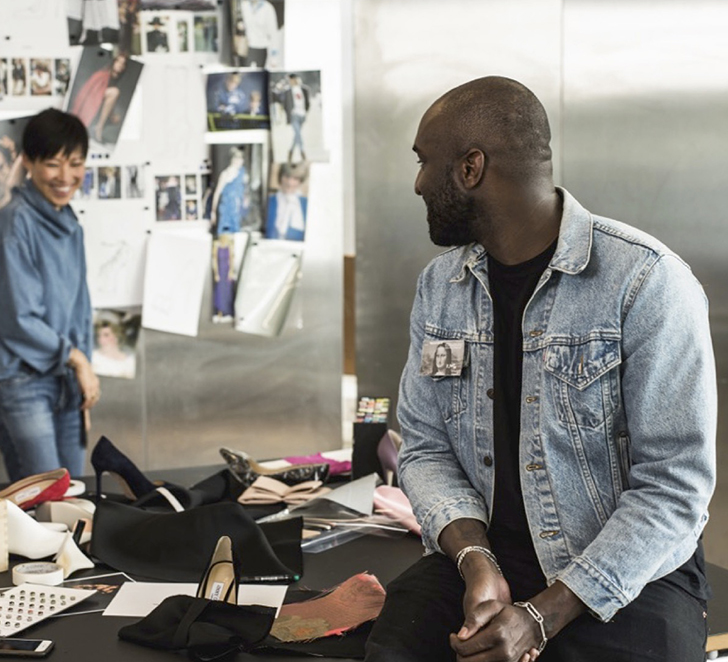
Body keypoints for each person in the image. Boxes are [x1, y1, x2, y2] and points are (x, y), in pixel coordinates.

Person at [365, 77, 715, 662]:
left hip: (624, 581)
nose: (418, 183)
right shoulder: (440, 287)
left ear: (472, 167)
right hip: (481, 566)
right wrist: (475, 560)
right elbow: (424, 449)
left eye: (426, 163)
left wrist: (540, 616)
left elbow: (674, 488)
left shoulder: (646, 282)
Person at [0, 109, 100, 481]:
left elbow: (79, 309)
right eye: (53, 164)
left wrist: (81, 370)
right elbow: (17, 318)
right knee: (44, 502)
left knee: (73, 499)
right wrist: (79, 361)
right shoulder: (14, 223)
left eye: (75, 164)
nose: (65, 177)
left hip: (64, 377)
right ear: (28, 162)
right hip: (18, 380)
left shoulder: (69, 222)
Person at [70, 52, 129, 144]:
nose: (120, 66)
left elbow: (107, 100)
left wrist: (112, 115)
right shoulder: (103, 74)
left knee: (117, 117)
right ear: (114, 62)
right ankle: (98, 127)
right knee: (115, 92)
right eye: (119, 62)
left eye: (123, 64)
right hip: (90, 106)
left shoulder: (114, 78)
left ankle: (96, 127)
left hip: (98, 107)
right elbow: (89, 94)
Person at [274, 73, 311, 164]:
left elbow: (307, 102)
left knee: (296, 136)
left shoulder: (304, 89)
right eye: (290, 80)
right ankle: (303, 154)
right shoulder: (287, 91)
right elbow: (278, 98)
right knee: (298, 134)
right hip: (294, 114)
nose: (292, 81)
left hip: (302, 114)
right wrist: (279, 88)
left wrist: (305, 111)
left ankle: (290, 152)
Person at [265, 162, 307, 241]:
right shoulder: (268, 201)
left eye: (295, 179)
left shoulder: (306, 205)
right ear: (280, 177)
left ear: (300, 181)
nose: (290, 183)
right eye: (287, 177)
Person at [211, 147, 248, 235]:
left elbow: (245, 189)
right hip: (226, 211)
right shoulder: (225, 174)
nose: (239, 161)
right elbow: (217, 193)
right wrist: (213, 212)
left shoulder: (242, 173)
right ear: (232, 159)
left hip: (238, 212)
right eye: (236, 158)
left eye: (240, 158)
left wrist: (245, 199)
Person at [238, 0, 280, 67]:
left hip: (260, 47)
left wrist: (274, 57)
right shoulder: (244, 5)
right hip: (245, 47)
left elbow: (273, 33)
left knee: (257, 74)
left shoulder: (267, 8)